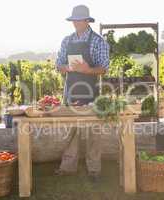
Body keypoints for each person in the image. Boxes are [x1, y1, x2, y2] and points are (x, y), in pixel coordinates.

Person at [55, 5, 110, 180]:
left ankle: (94, 169)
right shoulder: (66, 40)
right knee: (72, 131)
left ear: (87, 21)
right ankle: (68, 167)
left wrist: (87, 70)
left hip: (91, 92)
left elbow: (104, 68)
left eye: (79, 20)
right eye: (74, 20)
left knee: (94, 131)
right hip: (71, 90)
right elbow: (58, 65)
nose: (76, 23)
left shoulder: (98, 41)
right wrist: (66, 67)